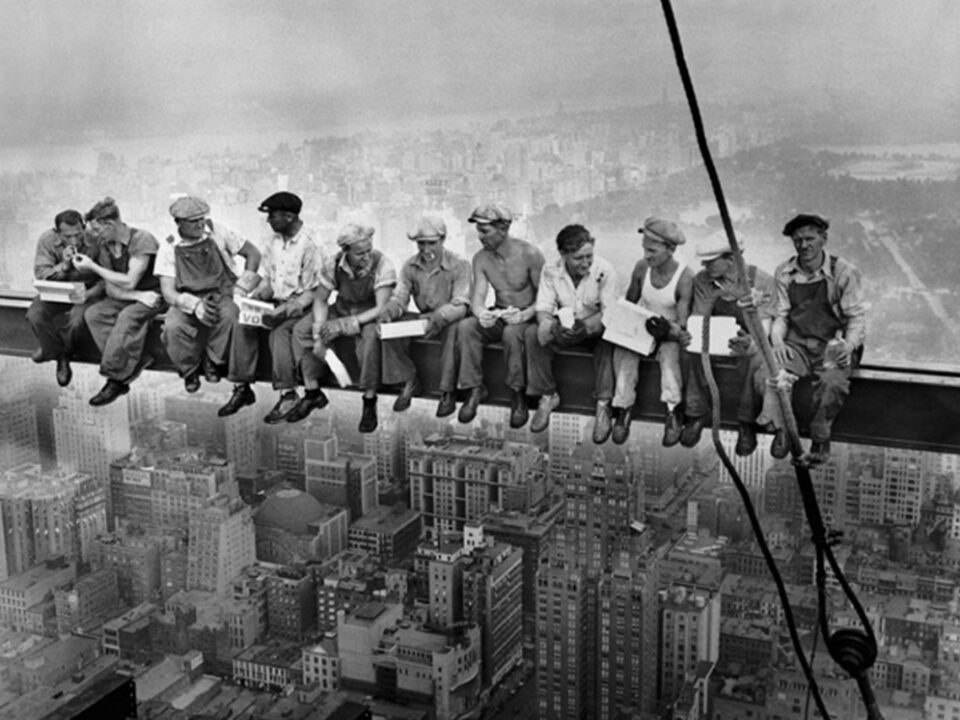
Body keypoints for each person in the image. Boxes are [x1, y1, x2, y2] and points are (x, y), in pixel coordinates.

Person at [755, 213, 866, 464]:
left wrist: (847, 346)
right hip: (798, 343)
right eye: (797, 240)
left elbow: (856, 318)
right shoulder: (784, 272)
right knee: (773, 372)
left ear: (823, 239)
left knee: (832, 383)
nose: (804, 245)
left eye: (809, 239)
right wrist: (778, 341)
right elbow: (781, 314)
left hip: (833, 344)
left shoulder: (843, 272)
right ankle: (782, 428)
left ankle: (820, 436)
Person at [219, 191, 323, 423]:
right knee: (243, 323)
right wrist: (256, 298)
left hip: (302, 307)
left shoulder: (311, 245)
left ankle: (288, 393)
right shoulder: (273, 242)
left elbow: (312, 291)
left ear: (288, 216)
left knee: (279, 332)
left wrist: (286, 310)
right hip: (276, 302)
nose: (269, 221)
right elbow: (269, 280)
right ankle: (242, 387)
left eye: (272, 216)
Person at [678, 232, 776, 454]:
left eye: (710, 261)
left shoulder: (761, 281)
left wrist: (750, 342)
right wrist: (693, 335)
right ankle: (696, 413)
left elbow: (765, 326)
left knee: (753, 358)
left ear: (731, 259)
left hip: (748, 339)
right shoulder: (703, 280)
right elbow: (700, 315)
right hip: (715, 335)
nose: (704, 265)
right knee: (691, 351)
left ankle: (746, 422)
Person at [292, 223, 396, 432]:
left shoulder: (383, 264)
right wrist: (319, 332)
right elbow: (321, 300)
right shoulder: (333, 263)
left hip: (368, 314)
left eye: (368, 250)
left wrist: (345, 325)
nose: (366, 257)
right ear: (345, 251)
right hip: (341, 307)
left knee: (369, 340)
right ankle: (312, 391)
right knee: (302, 330)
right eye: (359, 254)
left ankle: (369, 399)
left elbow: (380, 306)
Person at [156, 196, 261, 395]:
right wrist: (194, 305)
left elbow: (253, 254)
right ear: (178, 223)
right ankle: (189, 370)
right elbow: (168, 292)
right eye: (193, 221)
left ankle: (212, 361)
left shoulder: (217, 231)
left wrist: (241, 288)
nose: (200, 224)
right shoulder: (169, 246)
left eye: (201, 218)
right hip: (187, 297)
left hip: (221, 292)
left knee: (230, 317)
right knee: (173, 327)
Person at [456, 203, 545, 428]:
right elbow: (477, 298)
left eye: (485, 231)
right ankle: (474, 388)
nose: (480, 236)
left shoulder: (531, 255)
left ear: (503, 230)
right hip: (501, 312)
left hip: (527, 316)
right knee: (467, 327)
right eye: (478, 230)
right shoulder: (481, 259)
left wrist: (525, 314)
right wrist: (482, 313)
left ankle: (518, 394)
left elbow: (545, 298)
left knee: (512, 334)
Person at [526, 224, 617, 438]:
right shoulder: (551, 270)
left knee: (609, 340)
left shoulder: (605, 270)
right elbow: (543, 309)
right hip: (565, 326)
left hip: (594, 327)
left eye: (589, 256)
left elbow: (609, 312)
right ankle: (547, 395)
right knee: (533, 335)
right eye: (578, 258)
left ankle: (604, 403)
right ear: (563, 254)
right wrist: (553, 327)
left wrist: (587, 328)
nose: (585, 263)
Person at [610, 217, 694, 445]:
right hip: (644, 326)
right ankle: (623, 407)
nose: (647, 255)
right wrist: (625, 326)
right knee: (625, 351)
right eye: (645, 249)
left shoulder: (684, 277)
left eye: (652, 251)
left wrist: (669, 329)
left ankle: (672, 409)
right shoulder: (641, 267)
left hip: (668, 332)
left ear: (670, 249)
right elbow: (630, 302)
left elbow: (684, 321)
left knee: (669, 357)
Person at [73, 197, 164, 406]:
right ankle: (135, 361)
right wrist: (136, 296)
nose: (95, 235)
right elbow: (111, 287)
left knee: (128, 317)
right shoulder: (105, 246)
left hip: (155, 295)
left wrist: (93, 267)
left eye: (97, 230)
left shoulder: (142, 239)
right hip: (135, 296)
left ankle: (115, 379)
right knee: (94, 314)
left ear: (110, 224)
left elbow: (130, 281)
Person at [380, 216, 471, 414]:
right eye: (422, 244)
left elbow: (461, 303)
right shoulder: (410, 266)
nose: (426, 250)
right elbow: (400, 296)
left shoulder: (459, 264)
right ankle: (408, 379)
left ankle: (447, 391)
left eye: (432, 243)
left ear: (443, 240)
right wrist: (391, 310)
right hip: (424, 318)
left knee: (454, 331)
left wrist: (440, 317)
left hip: (450, 317)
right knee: (390, 330)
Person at [26, 209, 103, 387]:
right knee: (35, 315)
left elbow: (106, 276)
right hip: (56, 290)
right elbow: (41, 274)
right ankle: (57, 352)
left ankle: (57, 352)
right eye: (68, 236)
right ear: (57, 233)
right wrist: (64, 266)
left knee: (77, 321)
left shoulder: (97, 239)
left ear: (84, 228)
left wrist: (89, 294)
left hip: (87, 290)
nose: (74, 240)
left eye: (78, 234)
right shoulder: (47, 240)